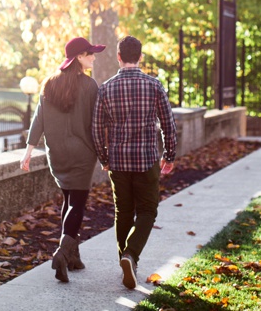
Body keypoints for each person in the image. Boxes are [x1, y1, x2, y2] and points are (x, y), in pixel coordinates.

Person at [91, 35, 177, 290]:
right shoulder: (154, 85)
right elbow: (168, 124)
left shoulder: (106, 88)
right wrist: (169, 155)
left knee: (123, 212)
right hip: (146, 160)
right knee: (148, 211)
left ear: (118, 57)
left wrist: (104, 158)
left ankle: (126, 260)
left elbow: (97, 128)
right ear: (140, 57)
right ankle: (131, 256)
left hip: (117, 162)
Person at [20, 36, 103, 283]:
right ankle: (61, 255)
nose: (94, 58)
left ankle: (73, 258)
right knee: (77, 204)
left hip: (56, 154)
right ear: (78, 57)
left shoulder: (49, 84)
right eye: (90, 54)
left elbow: (38, 121)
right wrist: (103, 152)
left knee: (69, 200)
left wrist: (28, 151)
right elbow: (96, 123)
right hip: (82, 154)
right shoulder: (90, 86)